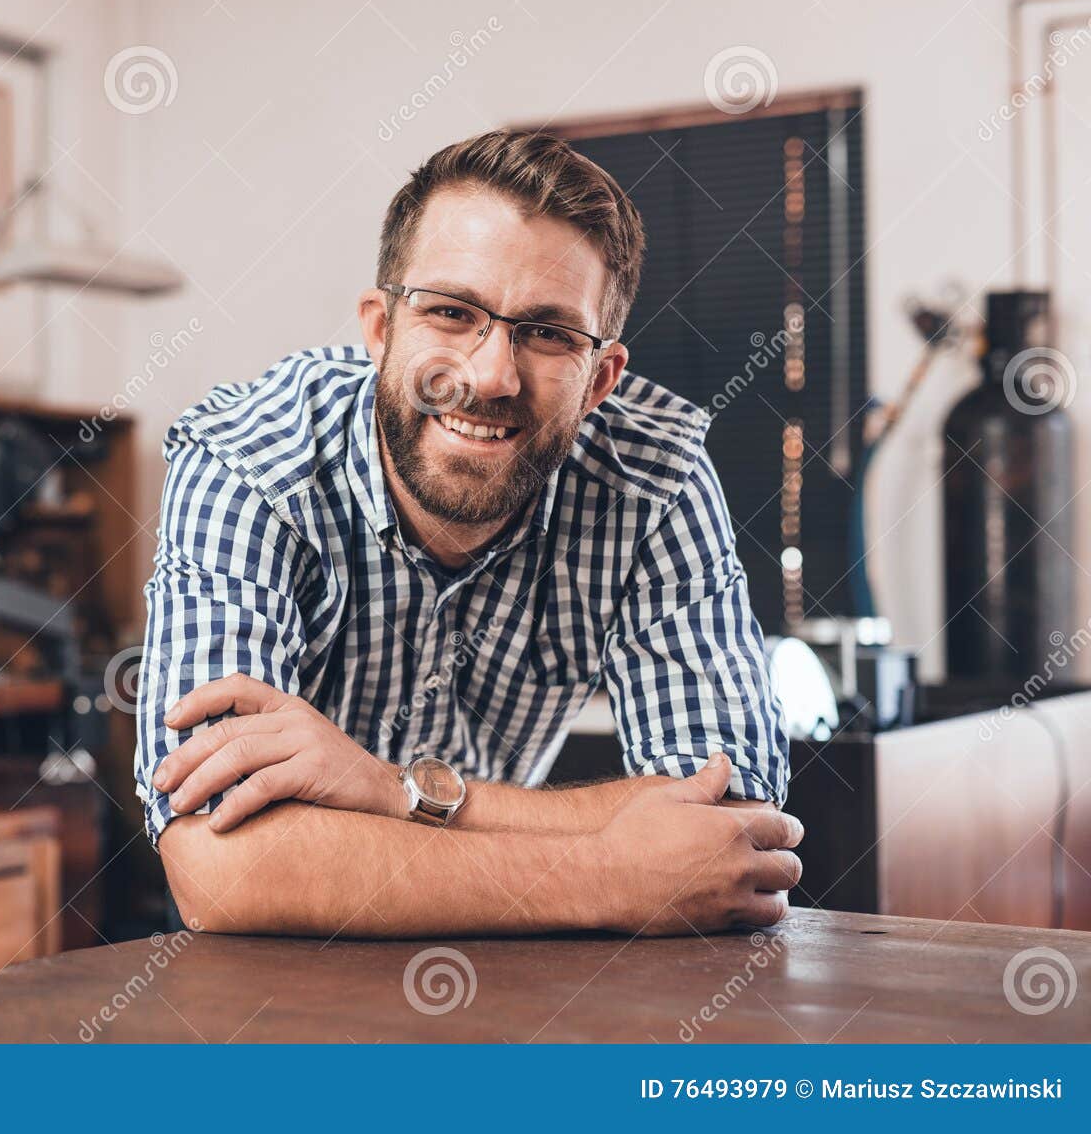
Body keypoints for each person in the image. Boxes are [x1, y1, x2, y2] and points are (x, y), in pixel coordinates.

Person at [135, 129, 802, 938]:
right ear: (380, 330)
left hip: (520, 971)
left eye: (550, 333)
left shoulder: (654, 479)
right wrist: (608, 874)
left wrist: (388, 790)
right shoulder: (249, 464)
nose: (490, 377)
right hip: (273, 992)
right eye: (452, 313)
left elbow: (730, 827)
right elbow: (223, 870)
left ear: (601, 379)